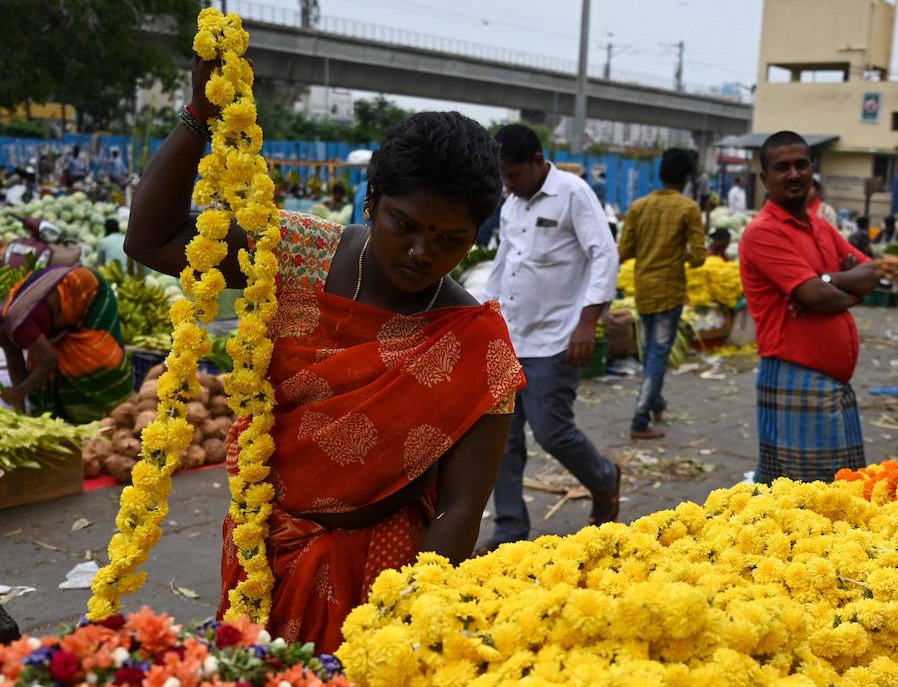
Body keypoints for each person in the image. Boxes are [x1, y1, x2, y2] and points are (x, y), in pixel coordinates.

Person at [125, 57, 526, 653]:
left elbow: (463, 511)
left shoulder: (478, 343)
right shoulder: (299, 250)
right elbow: (152, 240)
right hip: (262, 542)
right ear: (371, 202)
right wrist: (200, 113)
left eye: (451, 240)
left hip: (383, 570)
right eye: (405, 224)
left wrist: (395, 623)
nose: (422, 252)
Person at [480, 124, 621, 550]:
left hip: (556, 338)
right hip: (511, 336)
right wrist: (484, 311)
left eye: (515, 175)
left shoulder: (573, 194)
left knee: (551, 432)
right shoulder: (512, 202)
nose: (509, 184)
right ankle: (509, 529)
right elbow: (506, 260)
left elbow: (604, 255)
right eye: (504, 176)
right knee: (502, 440)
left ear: (539, 161)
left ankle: (604, 477)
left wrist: (587, 323)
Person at [739, 131, 879, 483]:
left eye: (801, 164)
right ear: (765, 178)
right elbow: (818, 297)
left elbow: (872, 272)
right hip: (795, 377)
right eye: (782, 167)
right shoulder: (763, 232)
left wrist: (826, 282)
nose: (794, 174)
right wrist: (829, 290)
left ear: (811, 169)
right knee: (809, 499)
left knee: (832, 490)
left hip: (829, 385)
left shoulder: (819, 226)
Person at [618, 147, 708, 440]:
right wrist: (678, 252)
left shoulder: (638, 207)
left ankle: (655, 402)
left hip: (643, 290)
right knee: (658, 354)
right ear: (686, 178)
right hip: (670, 293)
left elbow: (625, 251)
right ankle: (639, 419)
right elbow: (698, 257)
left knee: (650, 354)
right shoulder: (688, 209)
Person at [1, 266, 134, 421]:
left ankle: (108, 414)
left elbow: (49, 361)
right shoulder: (6, 328)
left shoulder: (19, 325)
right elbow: (15, 364)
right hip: (54, 300)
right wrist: (20, 413)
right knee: (41, 359)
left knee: (91, 357)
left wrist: (19, 392)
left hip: (86, 287)